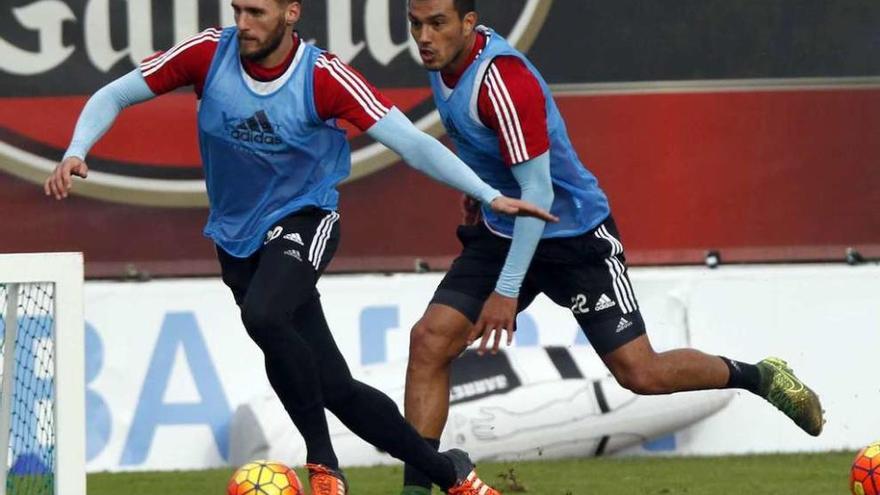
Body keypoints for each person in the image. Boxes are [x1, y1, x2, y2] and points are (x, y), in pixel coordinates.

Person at [43, 1, 563, 493]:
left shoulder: (323, 77)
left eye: (257, 12)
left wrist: (489, 195)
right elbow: (114, 94)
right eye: (238, 11)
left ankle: (323, 463)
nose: (243, 22)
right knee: (334, 387)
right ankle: (450, 474)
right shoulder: (207, 52)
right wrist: (75, 150)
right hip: (235, 237)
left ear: (291, 14)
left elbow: (411, 141)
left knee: (265, 316)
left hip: (304, 218)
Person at [399, 1, 826, 493]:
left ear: (468, 23)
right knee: (429, 341)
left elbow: (540, 194)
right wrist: (476, 197)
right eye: (415, 24)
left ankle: (761, 377)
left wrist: (507, 290)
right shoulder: (443, 64)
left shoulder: (502, 82)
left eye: (437, 24)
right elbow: (481, 148)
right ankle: (418, 488)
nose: (424, 37)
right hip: (503, 232)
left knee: (641, 373)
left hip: (573, 236)